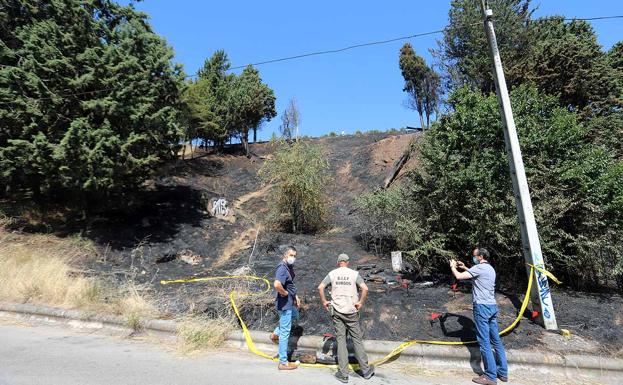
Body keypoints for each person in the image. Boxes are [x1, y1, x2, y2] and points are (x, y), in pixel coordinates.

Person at [450, 247, 509, 385]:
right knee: (496, 340)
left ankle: (490, 376)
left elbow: (459, 276)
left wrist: (453, 267)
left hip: (481, 307)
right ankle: (503, 373)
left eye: (475, 256)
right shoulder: (489, 269)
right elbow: (474, 273)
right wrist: (464, 266)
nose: (474, 257)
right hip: (492, 307)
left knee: (484, 342)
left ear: (481, 256)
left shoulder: (480, 268)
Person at [318, 253, 375, 383]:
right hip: (351, 312)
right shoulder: (354, 274)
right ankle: (366, 371)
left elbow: (320, 287)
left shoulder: (332, 274)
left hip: (337, 311)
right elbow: (365, 288)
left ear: (338, 262)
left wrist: (324, 301)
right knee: (357, 340)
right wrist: (360, 302)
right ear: (347, 262)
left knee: (341, 341)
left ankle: (343, 374)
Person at [272, 246, 301, 370]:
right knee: (285, 332)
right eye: (291, 255)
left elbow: (290, 284)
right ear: (285, 255)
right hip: (285, 304)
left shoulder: (289, 267)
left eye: (294, 256)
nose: (293, 258)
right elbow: (277, 284)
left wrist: (295, 296)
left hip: (290, 302)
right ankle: (283, 362)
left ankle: (275, 334)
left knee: (295, 315)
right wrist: (284, 293)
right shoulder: (282, 268)